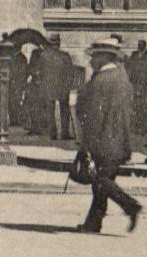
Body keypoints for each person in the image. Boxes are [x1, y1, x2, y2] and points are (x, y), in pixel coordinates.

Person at [75, 37, 141, 234]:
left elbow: (94, 116)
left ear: (104, 57)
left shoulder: (101, 81)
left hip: (103, 139)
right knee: (102, 180)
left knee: (101, 180)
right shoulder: (122, 77)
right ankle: (93, 223)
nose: (91, 61)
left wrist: (86, 143)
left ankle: (130, 206)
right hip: (119, 138)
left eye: (94, 57)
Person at [42, 32, 75, 141]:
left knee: (49, 110)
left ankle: (52, 133)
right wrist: (68, 85)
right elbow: (71, 73)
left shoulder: (44, 56)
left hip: (49, 86)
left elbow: (40, 72)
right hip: (63, 86)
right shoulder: (65, 56)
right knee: (64, 110)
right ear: (59, 43)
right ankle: (64, 132)